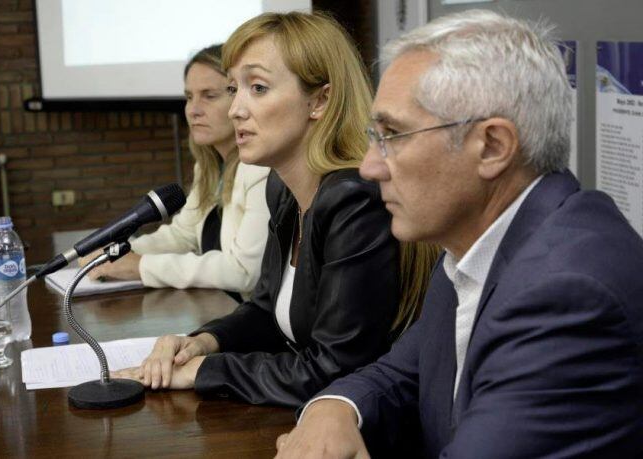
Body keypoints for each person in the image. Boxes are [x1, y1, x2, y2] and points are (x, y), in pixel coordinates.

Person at [275, 9, 643, 458]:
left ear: (492, 146)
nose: (369, 167)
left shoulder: (566, 292)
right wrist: (332, 408)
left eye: (392, 134)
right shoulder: (477, 240)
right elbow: (402, 372)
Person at [112, 12, 440, 407]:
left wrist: (205, 372)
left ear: (320, 100)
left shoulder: (354, 200)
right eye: (234, 89)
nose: (236, 109)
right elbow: (266, 309)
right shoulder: (283, 188)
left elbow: (335, 369)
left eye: (259, 88)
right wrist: (201, 342)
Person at [80, 45, 270, 301]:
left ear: (240, 100)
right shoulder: (209, 164)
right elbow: (183, 235)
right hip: (221, 310)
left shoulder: (262, 168)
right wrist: (114, 255)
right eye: (189, 97)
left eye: (209, 96)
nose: (193, 110)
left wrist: (140, 266)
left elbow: (243, 272)